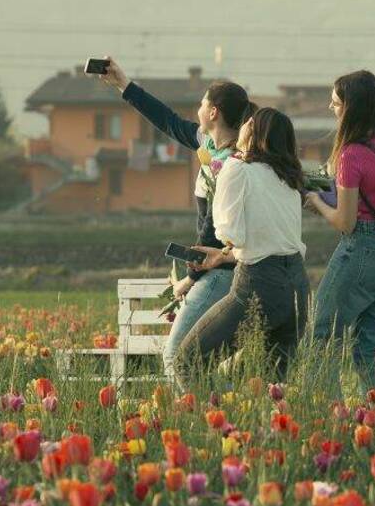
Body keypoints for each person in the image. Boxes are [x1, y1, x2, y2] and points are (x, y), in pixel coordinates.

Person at [94, 57, 255, 383]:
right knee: (201, 363)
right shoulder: (209, 145)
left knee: (177, 354)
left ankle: (209, 421)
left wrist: (190, 279)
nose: (198, 107)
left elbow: (212, 234)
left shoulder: (229, 164)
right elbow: (167, 120)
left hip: (219, 273)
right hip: (219, 271)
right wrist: (124, 85)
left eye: (202, 102)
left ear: (214, 112)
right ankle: (225, 416)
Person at [174, 108, 309, 385]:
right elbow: (268, 240)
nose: (244, 124)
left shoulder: (237, 168)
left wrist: (226, 246)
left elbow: (227, 231)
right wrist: (223, 256)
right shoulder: (289, 179)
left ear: (256, 133)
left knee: (188, 361)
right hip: (297, 285)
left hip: (258, 285)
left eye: (249, 121)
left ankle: (217, 423)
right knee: (275, 385)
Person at [304, 70, 375, 399]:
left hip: (363, 250)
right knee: (370, 344)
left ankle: (326, 420)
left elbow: (345, 222)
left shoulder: (351, 154)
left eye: (335, 103)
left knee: (321, 338)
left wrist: (316, 202)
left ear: (351, 107)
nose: (332, 108)